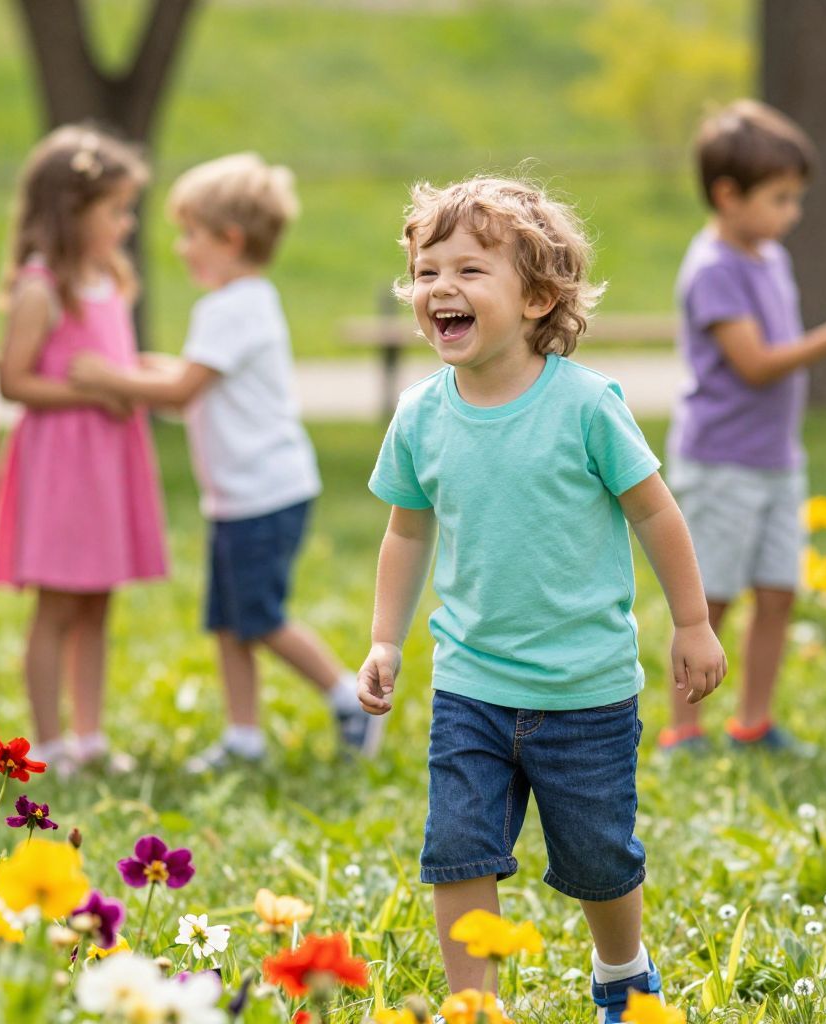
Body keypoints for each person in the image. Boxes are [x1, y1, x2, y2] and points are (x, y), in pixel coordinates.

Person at [355, 176, 727, 1019]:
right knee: (457, 850)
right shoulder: (420, 416)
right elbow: (406, 533)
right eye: (426, 271)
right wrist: (385, 640)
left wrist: (693, 623)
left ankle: (621, 966)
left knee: (598, 858)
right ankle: (471, 1004)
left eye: (470, 271)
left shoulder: (586, 406)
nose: (440, 288)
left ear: (537, 297)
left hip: (584, 691)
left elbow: (655, 512)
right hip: (471, 686)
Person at [69, 153, 381, 771]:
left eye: (191, 234)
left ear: (229, 239)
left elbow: (183, 392)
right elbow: (191, 377)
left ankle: (350, 697)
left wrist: (109, 375)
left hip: (263, 493)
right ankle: (244, 736)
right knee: (229, 621)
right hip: (244, 493)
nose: (182, 248)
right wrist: (137, 368)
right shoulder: (246, 302)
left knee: (259, 618)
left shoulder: (230, 308)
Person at [660, 99, 826, 756]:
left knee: (778, 591)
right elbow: (756, 365)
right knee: (713, 600)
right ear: (728, 195)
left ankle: (754, 723)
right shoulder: (713, 270)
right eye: (781, 198)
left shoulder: (768, 256)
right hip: (723, 460)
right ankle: (685, 727)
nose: (793, 213)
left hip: (777, 460)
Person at [0, 125, 169, 775]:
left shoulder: (111, 280)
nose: (125, 225)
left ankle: (89, 735)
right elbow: (13, 380)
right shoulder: (42, 288)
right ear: (71, 210)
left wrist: (131, 377)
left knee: (98, 598)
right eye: (115, 210)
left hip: (110, 463)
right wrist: (87, 391)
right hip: (63, 464)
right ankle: (50, 739)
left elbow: (112, 361)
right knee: (58, 603)